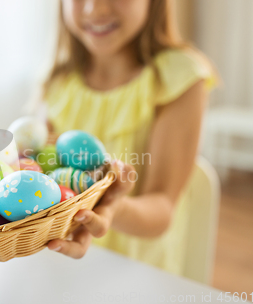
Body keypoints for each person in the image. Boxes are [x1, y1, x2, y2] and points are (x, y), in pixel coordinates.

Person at [42, 0, 216, 275]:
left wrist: (114, 208)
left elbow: (162, 208)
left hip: (139, 271)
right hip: (63, 264)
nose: (94, 10)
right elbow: (49, 175)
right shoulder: (59, 82)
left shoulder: (178, 77)